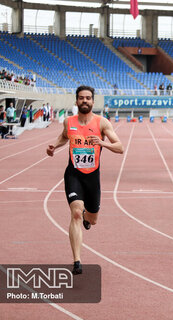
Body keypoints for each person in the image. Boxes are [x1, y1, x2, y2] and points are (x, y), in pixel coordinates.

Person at [46, 85, 124, 274]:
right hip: (74, 174)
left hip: (92, 177)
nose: (84, 101)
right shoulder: (69, 121)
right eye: (81, 98)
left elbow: (120, 147)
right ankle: (77, 261)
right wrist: (54, 146)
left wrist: (102, 142)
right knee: (75, 214)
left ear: (93, 101)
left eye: (88, 98)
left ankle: (89, 219)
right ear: (76, 101)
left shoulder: (102, 123)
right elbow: (64, 136)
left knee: (92, 218)